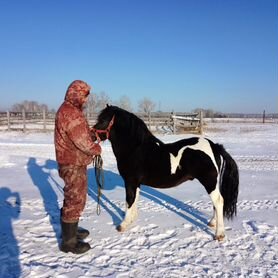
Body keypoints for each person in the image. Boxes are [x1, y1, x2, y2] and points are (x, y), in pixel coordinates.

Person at [54, 80, 101, 254]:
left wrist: (92, 134)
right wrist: (95, 148)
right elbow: (82, 142)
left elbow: (79, 134)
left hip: (73, 160)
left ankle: (71, 231)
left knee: (74, 196)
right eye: (84, 96)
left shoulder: (69, 110)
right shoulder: (71, 113)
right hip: (72, 162)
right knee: (75, 198)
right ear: (76, 94)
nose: (86, 100)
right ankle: (69, 242)